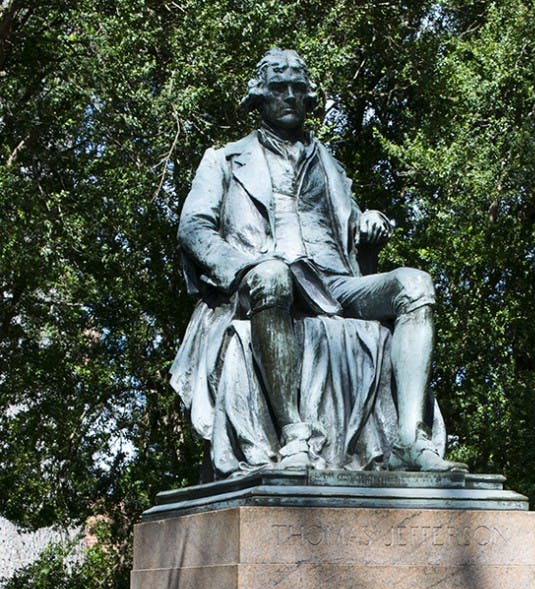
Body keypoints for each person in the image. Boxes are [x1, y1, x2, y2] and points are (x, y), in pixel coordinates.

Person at [175, 48, 453, 473]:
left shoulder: (330, 165)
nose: (289, 96)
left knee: (415, 285)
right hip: (264, 278)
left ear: (309, 98)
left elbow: (348, 230)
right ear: (260, 98)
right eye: (278, 89)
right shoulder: (225, 160)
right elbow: (194, 228)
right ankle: (294, 435)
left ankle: (413, 440)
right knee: (273, 277)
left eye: (297, 90)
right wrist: (241, 270)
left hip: (334, 282)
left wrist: (368, 225)